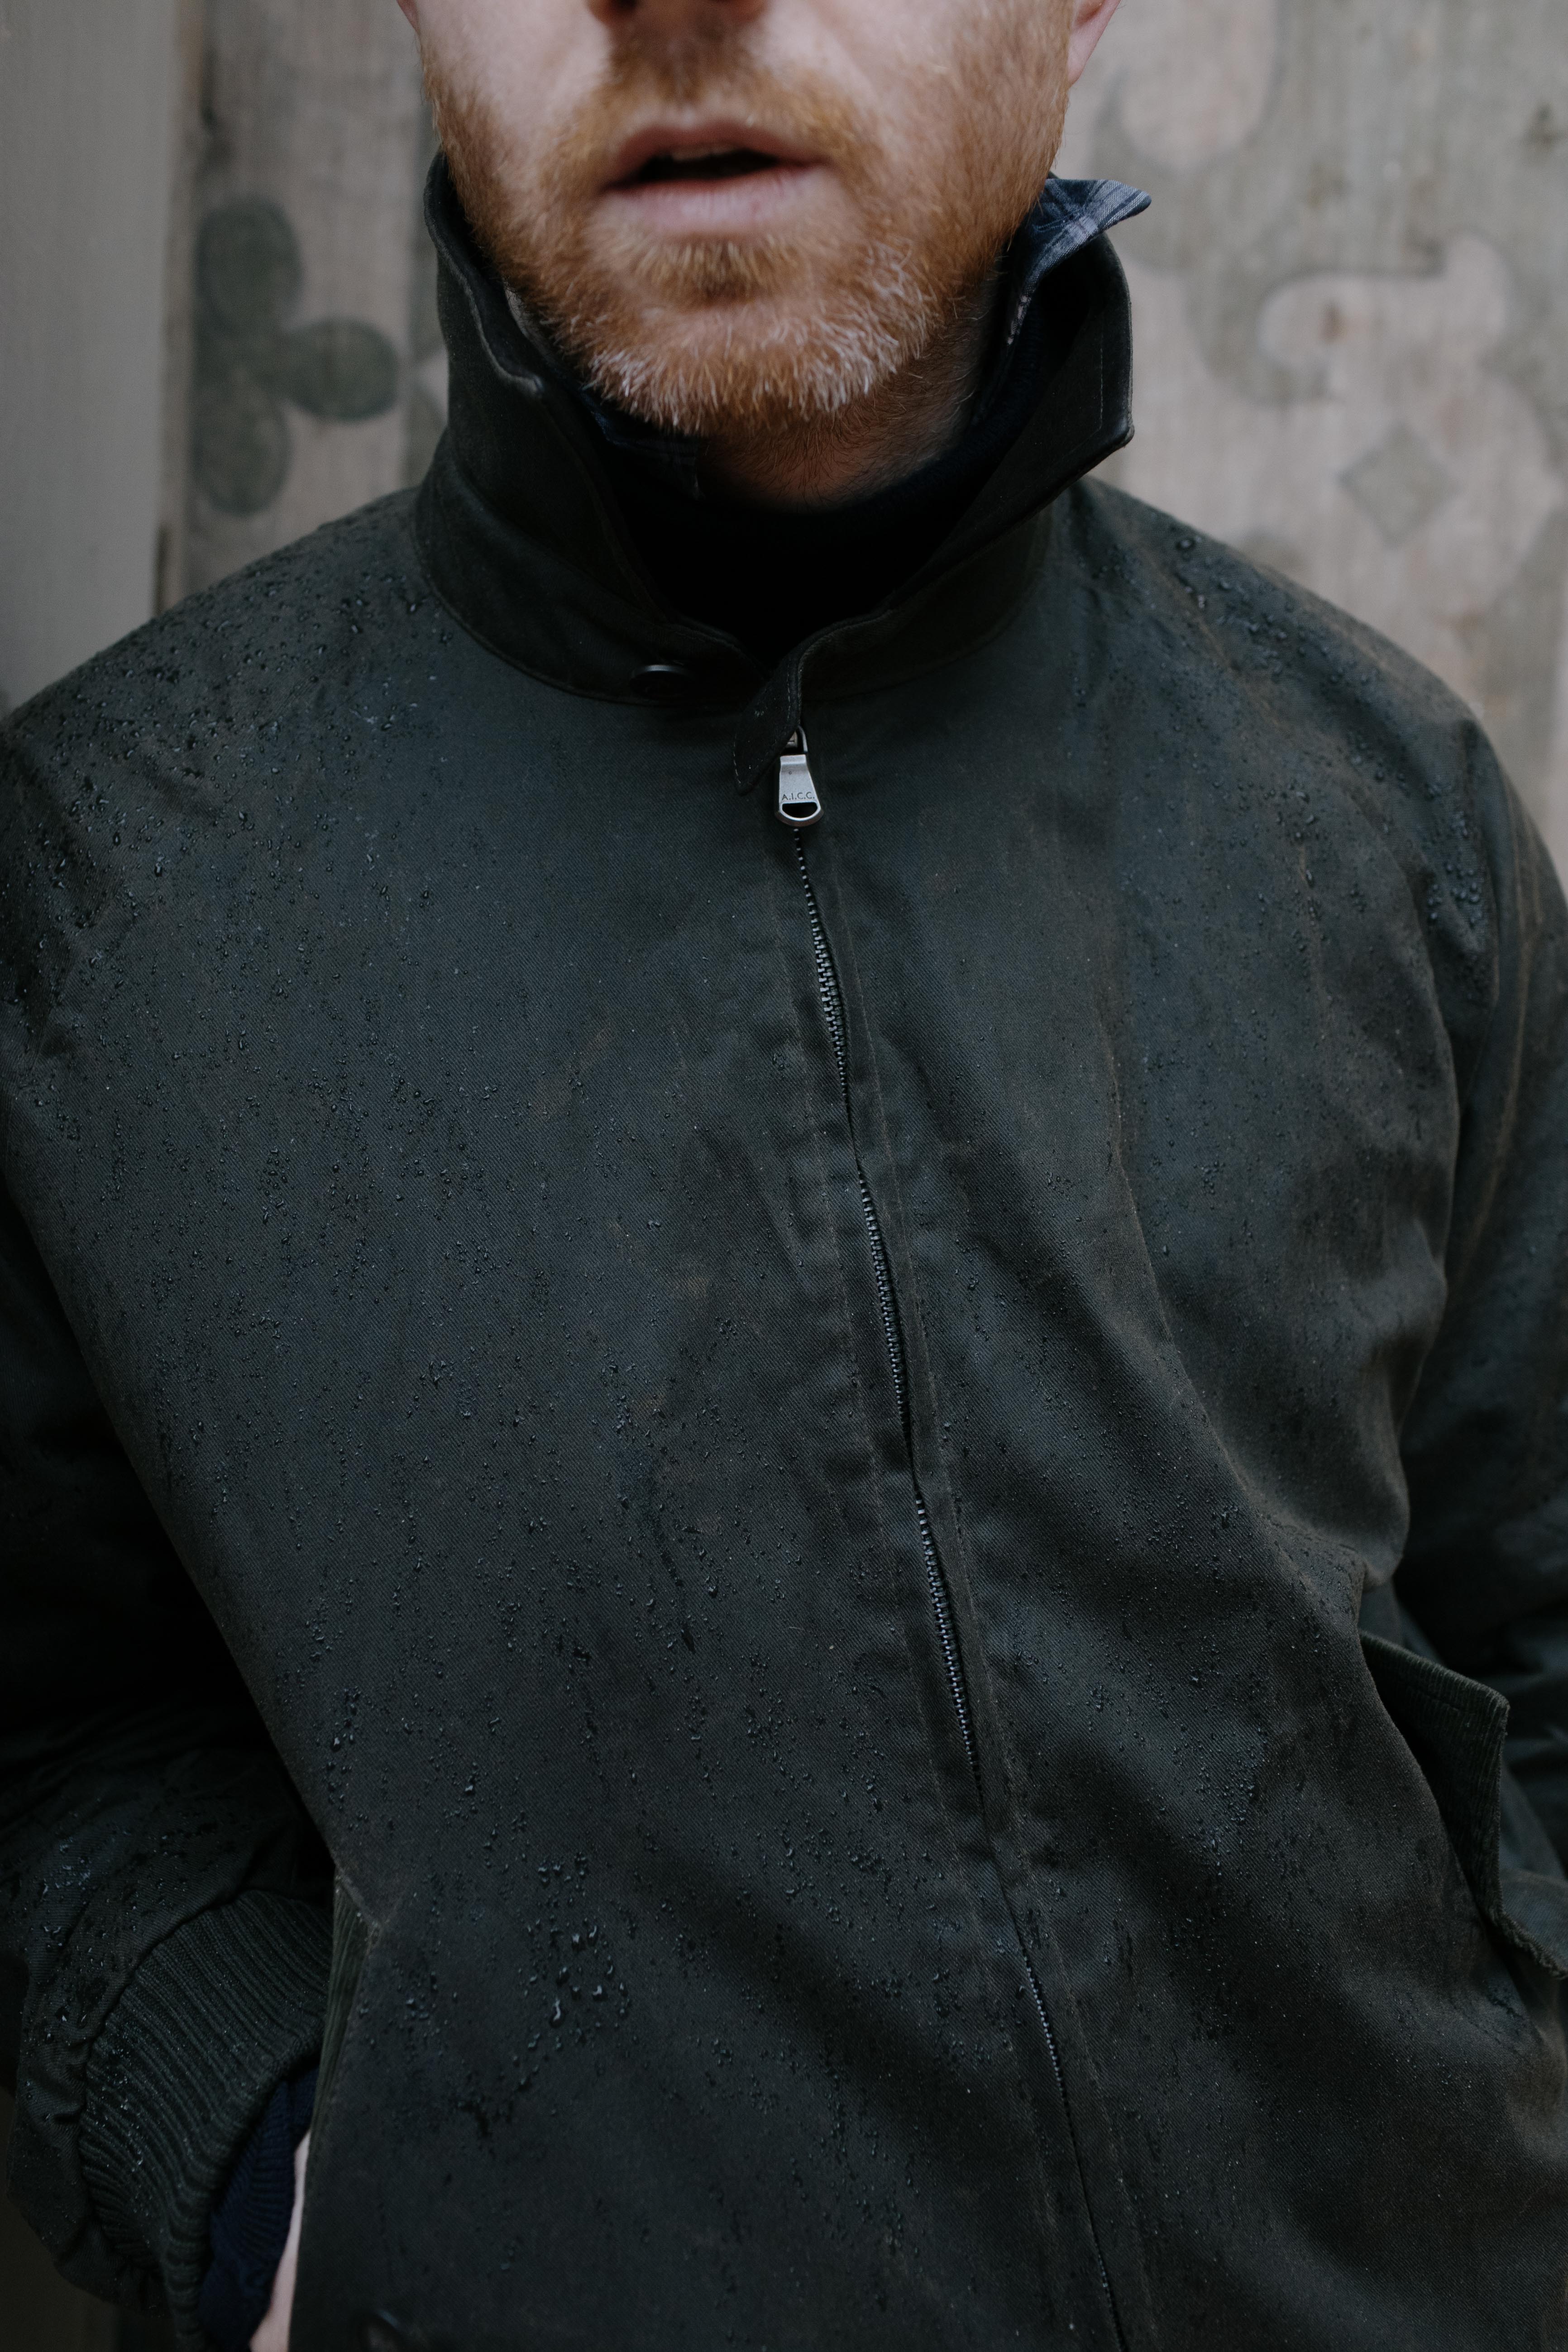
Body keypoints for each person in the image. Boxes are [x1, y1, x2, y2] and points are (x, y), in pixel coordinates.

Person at [3, 0, 1567, 2343]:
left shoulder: (1380, 804)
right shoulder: (93, 893)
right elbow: (45, 1739)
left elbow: (1535, 1619)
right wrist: (271, 2194)